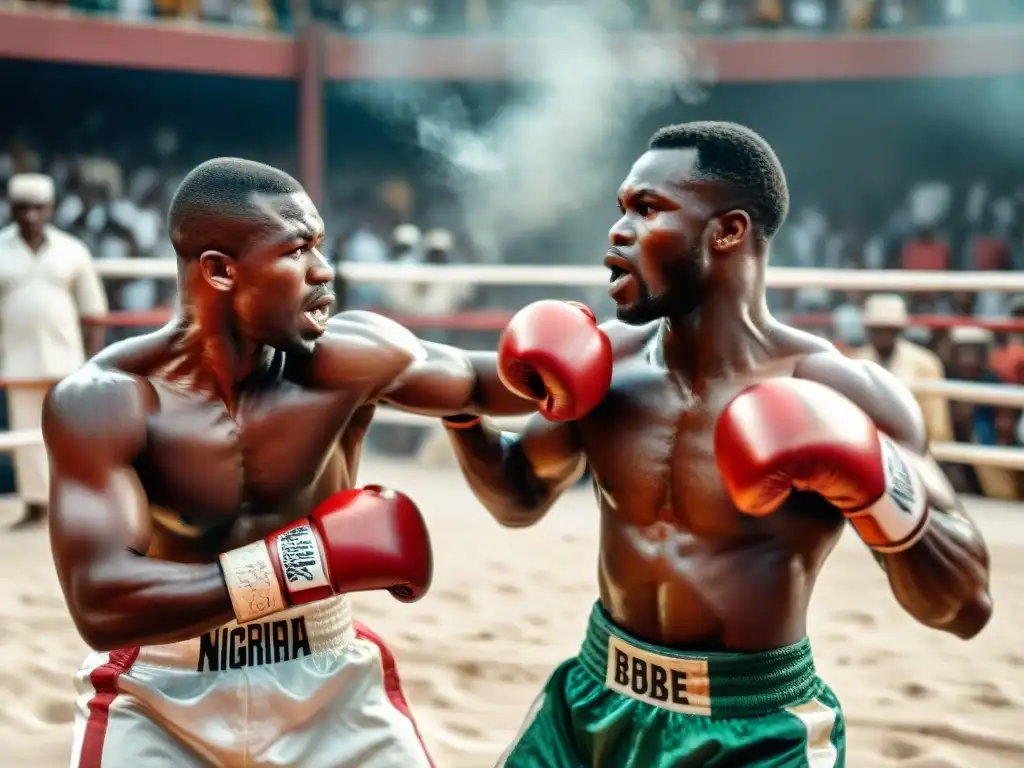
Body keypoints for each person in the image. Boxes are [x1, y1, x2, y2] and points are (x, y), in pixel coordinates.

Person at [442, 122, 993, 767]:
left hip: (751, 725)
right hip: (594, 696)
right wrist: (463, 412)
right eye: (620, 210)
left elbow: (965, 607)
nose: (619, 231)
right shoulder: (607, 365)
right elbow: (520, 495)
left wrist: (877, 482)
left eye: (647, 210)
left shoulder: (839, 389)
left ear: (728, 231)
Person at [44, 158, 614, 768]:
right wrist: (307, 562)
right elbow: (103, 603)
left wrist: (591, 349)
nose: (323, 269)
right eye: (297, 251)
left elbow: (489, 382)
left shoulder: (348, 358)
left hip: (324, 675)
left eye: (321, 245)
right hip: (163, 688)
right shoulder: (108, 401)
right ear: (218, 270)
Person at [0, 173, 108, 529]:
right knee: (26, 434)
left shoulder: (72, 250)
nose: (31, 215)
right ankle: (36, 507)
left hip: (67, 359)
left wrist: (93, 363)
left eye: (38, 207)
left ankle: (78, 505)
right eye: (23, 208)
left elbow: (94, 312)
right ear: (12, 209)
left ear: (51, 209)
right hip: (16, 358)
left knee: (73, 435)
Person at [848, 293, 953, 444]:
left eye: (888, 329)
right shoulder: (854, 362)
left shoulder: (925, 363)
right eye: (877, 329)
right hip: (867, 443)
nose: (883, 335)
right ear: (868, 329)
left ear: (899, 329)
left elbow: (937, 423)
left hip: (914, 447)